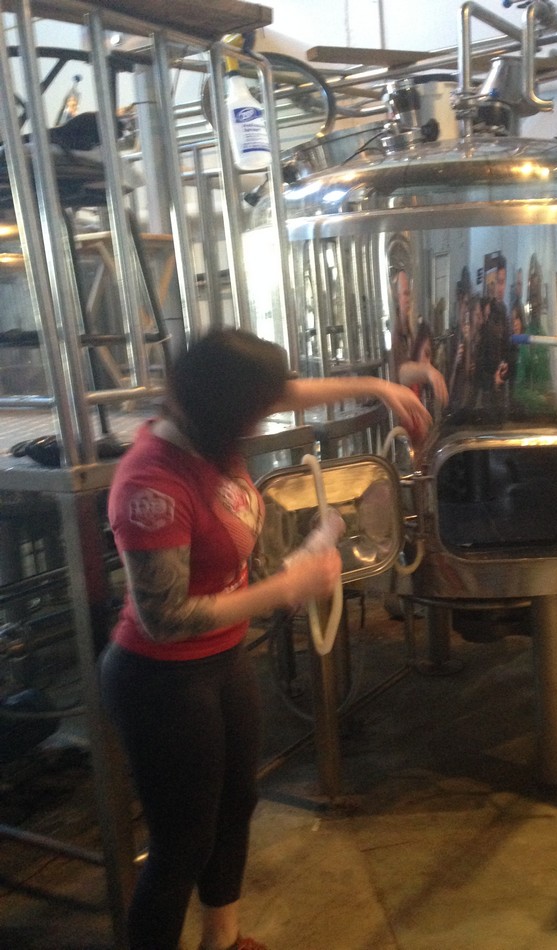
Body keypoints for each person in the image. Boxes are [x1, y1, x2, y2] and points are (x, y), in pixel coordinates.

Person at [99, 327, 432, 950]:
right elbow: (165, 618)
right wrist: (287, 586)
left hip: (220, 658)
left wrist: (380, 385)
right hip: (160, 679)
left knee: (236, 805)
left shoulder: (208, 428)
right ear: (227, 411)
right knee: (181, 844)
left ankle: (222, 940)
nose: (265, 418)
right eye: (256, 412)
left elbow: (286, 392)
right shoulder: (152, 483)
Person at [389, 268, 448, 405]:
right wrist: (427, 371)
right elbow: (400, 373)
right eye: (405, 294)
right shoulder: (394, 333)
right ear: (395, 298)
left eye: (410, 294)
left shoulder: (409, 331)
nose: (409, 300)